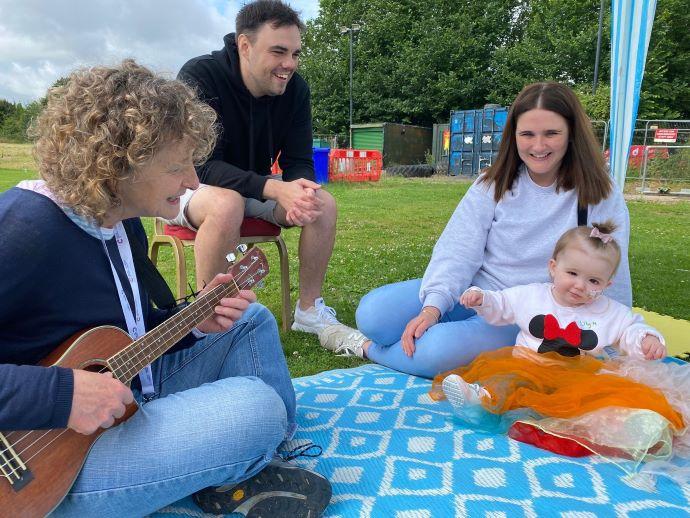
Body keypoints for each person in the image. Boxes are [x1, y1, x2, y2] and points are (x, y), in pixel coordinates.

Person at [0, 60, 330, 517]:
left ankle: (259, 457)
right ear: (119, 163)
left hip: (118, 402)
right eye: (177, 166)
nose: (194, 182)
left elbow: (121, 337)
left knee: (249, 320)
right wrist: (62, 395)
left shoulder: (119, 223)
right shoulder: (23, 228)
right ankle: (241, 459)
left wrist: (196, 324)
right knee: (255, 407)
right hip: (38, 470)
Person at [318, 82, 632, 379]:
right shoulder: (493, 184)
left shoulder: (598, 193)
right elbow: (457, 250)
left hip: (524, 311)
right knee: (374, 314)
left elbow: (609, 265)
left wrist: (616, 340)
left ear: (572, 134)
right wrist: (433, 308)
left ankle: (365, 348)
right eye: (527, 134)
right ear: (514, 136)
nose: (538, 146)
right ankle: (390, 339)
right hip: (473, 291)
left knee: (436, 350)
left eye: (551, 133)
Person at [430, 222, 689, 482]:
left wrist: (646, 339)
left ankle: (624, 425)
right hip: (528, 365)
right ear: (553, 267)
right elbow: (503, 303)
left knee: (599, 399)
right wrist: (482, 298)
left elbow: (630, 328)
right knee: (510, 381)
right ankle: (479, 400)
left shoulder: (610, 311)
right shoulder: (532, 296)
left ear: (607, 284)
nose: (580, 285)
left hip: (577, 375)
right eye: (572, 273)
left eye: (593, 281)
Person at [166, 0, 341, 335]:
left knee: (322, 203)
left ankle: (308, 312)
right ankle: (210, 319)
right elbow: (199, 165)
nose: (289, 64)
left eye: (295, 53)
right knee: (225, 203)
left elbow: (299, 161)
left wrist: (299, 193)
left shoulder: (295, 90)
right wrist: (276, 189)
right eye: (279, 52)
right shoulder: (200, 76)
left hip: (252, 186)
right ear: (245, 46)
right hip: (184, 187)